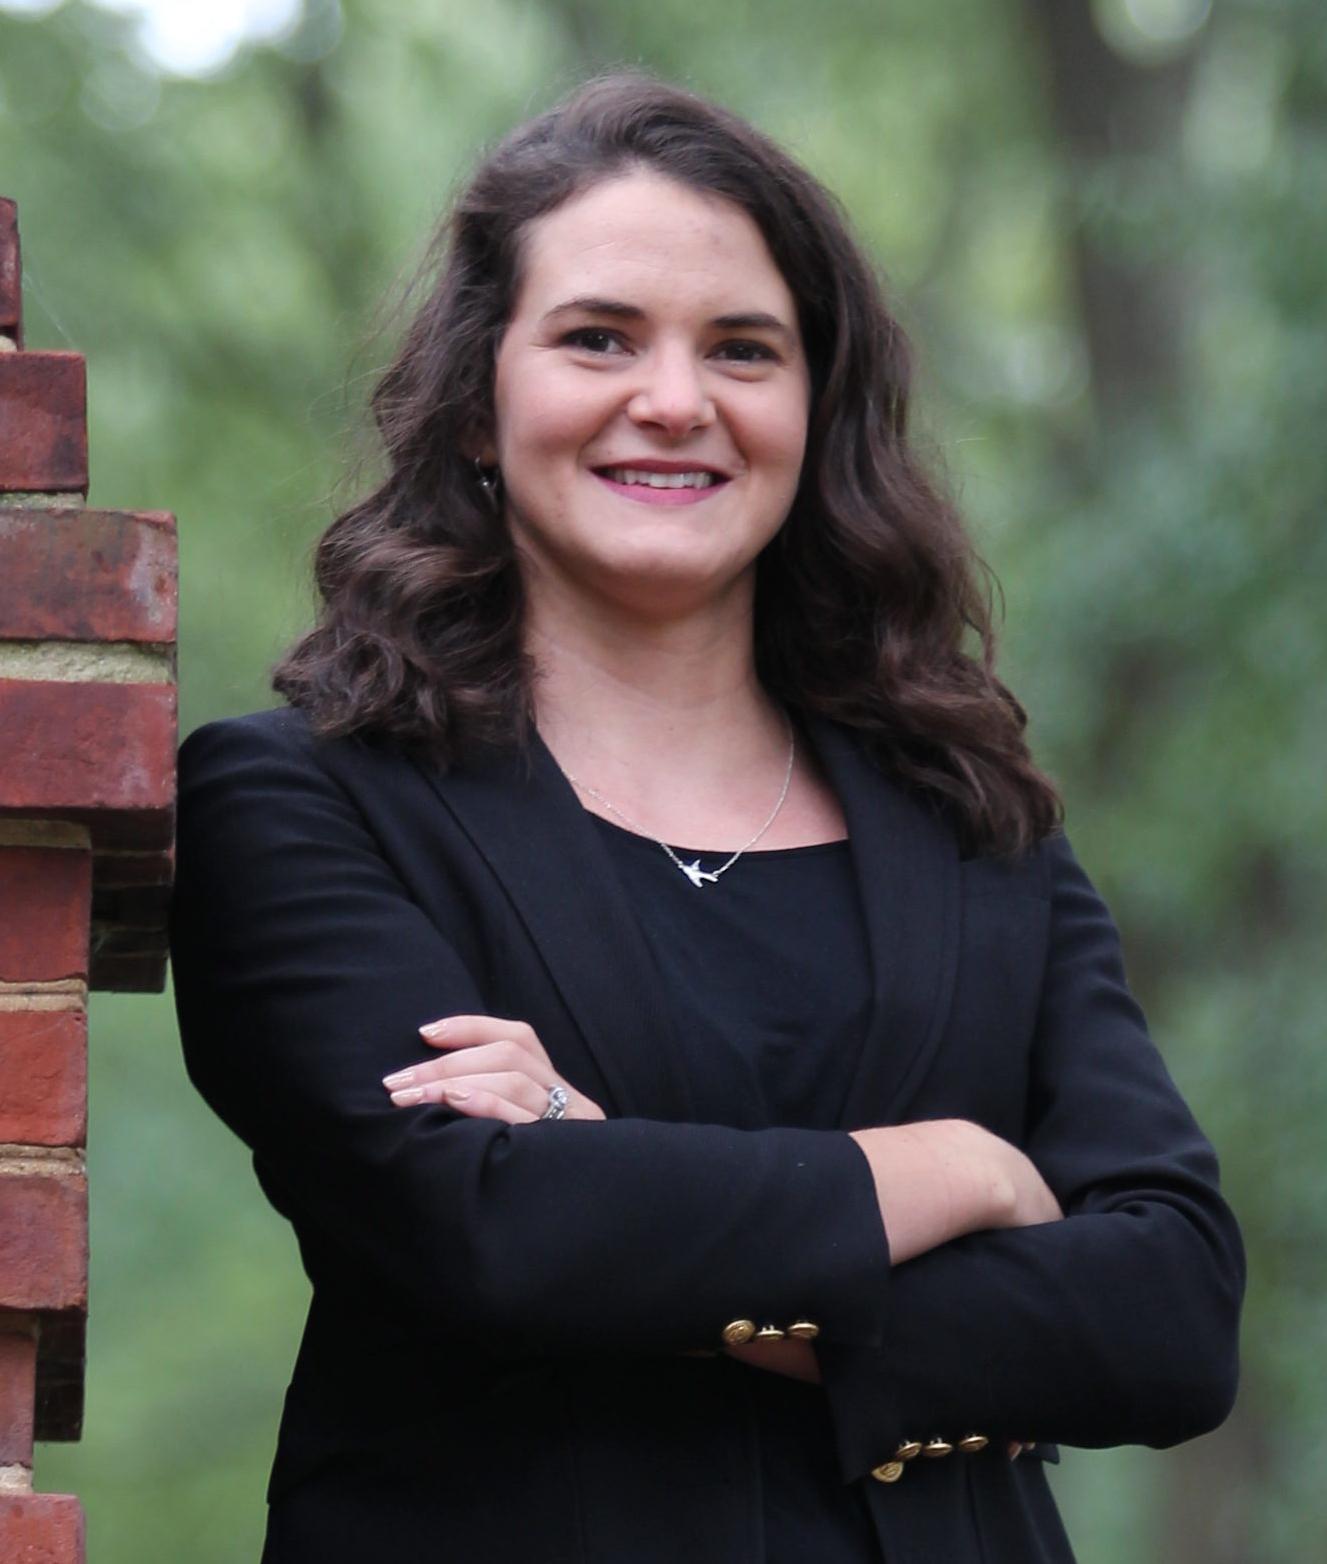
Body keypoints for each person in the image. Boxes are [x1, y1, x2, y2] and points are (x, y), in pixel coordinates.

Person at [168, 72, 1244, 1564]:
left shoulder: (971, 820)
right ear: (481, 405)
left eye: (744, 350)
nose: (674, 401)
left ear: (815, 414)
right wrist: (957, 1170)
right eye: (599, 337)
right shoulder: (301, 804)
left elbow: (1174, 1313)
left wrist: (627, 1200)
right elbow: (486, 1233)